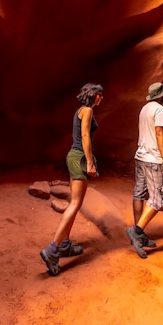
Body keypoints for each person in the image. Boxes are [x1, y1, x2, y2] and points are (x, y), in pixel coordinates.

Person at [40, 82, 103, 276]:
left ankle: (65, 244)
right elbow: (85, 136)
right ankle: (53, 249)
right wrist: (90, 162)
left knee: (76, 202)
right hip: (79, 157)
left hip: (74, 156)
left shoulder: (80, 110)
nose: (102, 98)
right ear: (94, 96)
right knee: (76, 203)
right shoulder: (88, 111)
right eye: (100, 95)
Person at [126, 82, 163, 259]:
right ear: (160, 96)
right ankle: (137, 231)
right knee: (158, 198)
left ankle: (139, 234)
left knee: (139, 193)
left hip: (140, 156)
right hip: (153, 159)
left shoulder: (144, 108)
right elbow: (159, 133)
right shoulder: (159, 110)